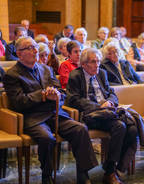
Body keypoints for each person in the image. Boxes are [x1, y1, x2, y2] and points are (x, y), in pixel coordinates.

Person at [3, 36, 98, 184]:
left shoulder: (46, 69)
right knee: (47, 138)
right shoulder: (12, 74)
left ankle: (83, 174)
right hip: (33, 118)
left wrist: (57, 95)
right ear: (19, 53)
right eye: (30, 48)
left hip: (55, 113)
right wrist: (42, 95)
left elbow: (62, 92)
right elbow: (18, 102)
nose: (35, 50)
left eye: (35, 46)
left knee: (80, 129)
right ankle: (47, 176)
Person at [65, 48, 140, 184]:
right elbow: (73, 99)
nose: (97, 65)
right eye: (93, 62)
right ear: (84, 64)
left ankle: (111, 169)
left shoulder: (102, 73)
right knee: (122, 126)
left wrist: (110, 102)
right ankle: (110, 172)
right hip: (90, 115)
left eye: (98, 61)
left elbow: (112, 93)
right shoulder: (75, 75)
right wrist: (98, 106)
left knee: (132, 129)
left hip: (107, 114)